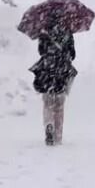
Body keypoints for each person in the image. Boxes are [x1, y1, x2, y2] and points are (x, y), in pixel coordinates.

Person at [30, 18, 77, 146]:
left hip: (47, 72)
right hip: (62, 72)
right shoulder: (67, 31)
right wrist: (64, 54)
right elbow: (73, 54)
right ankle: (57, 135)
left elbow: (41, 51)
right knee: (59, 106)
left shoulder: (44, 32)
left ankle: (49, 124)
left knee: (47, 104)